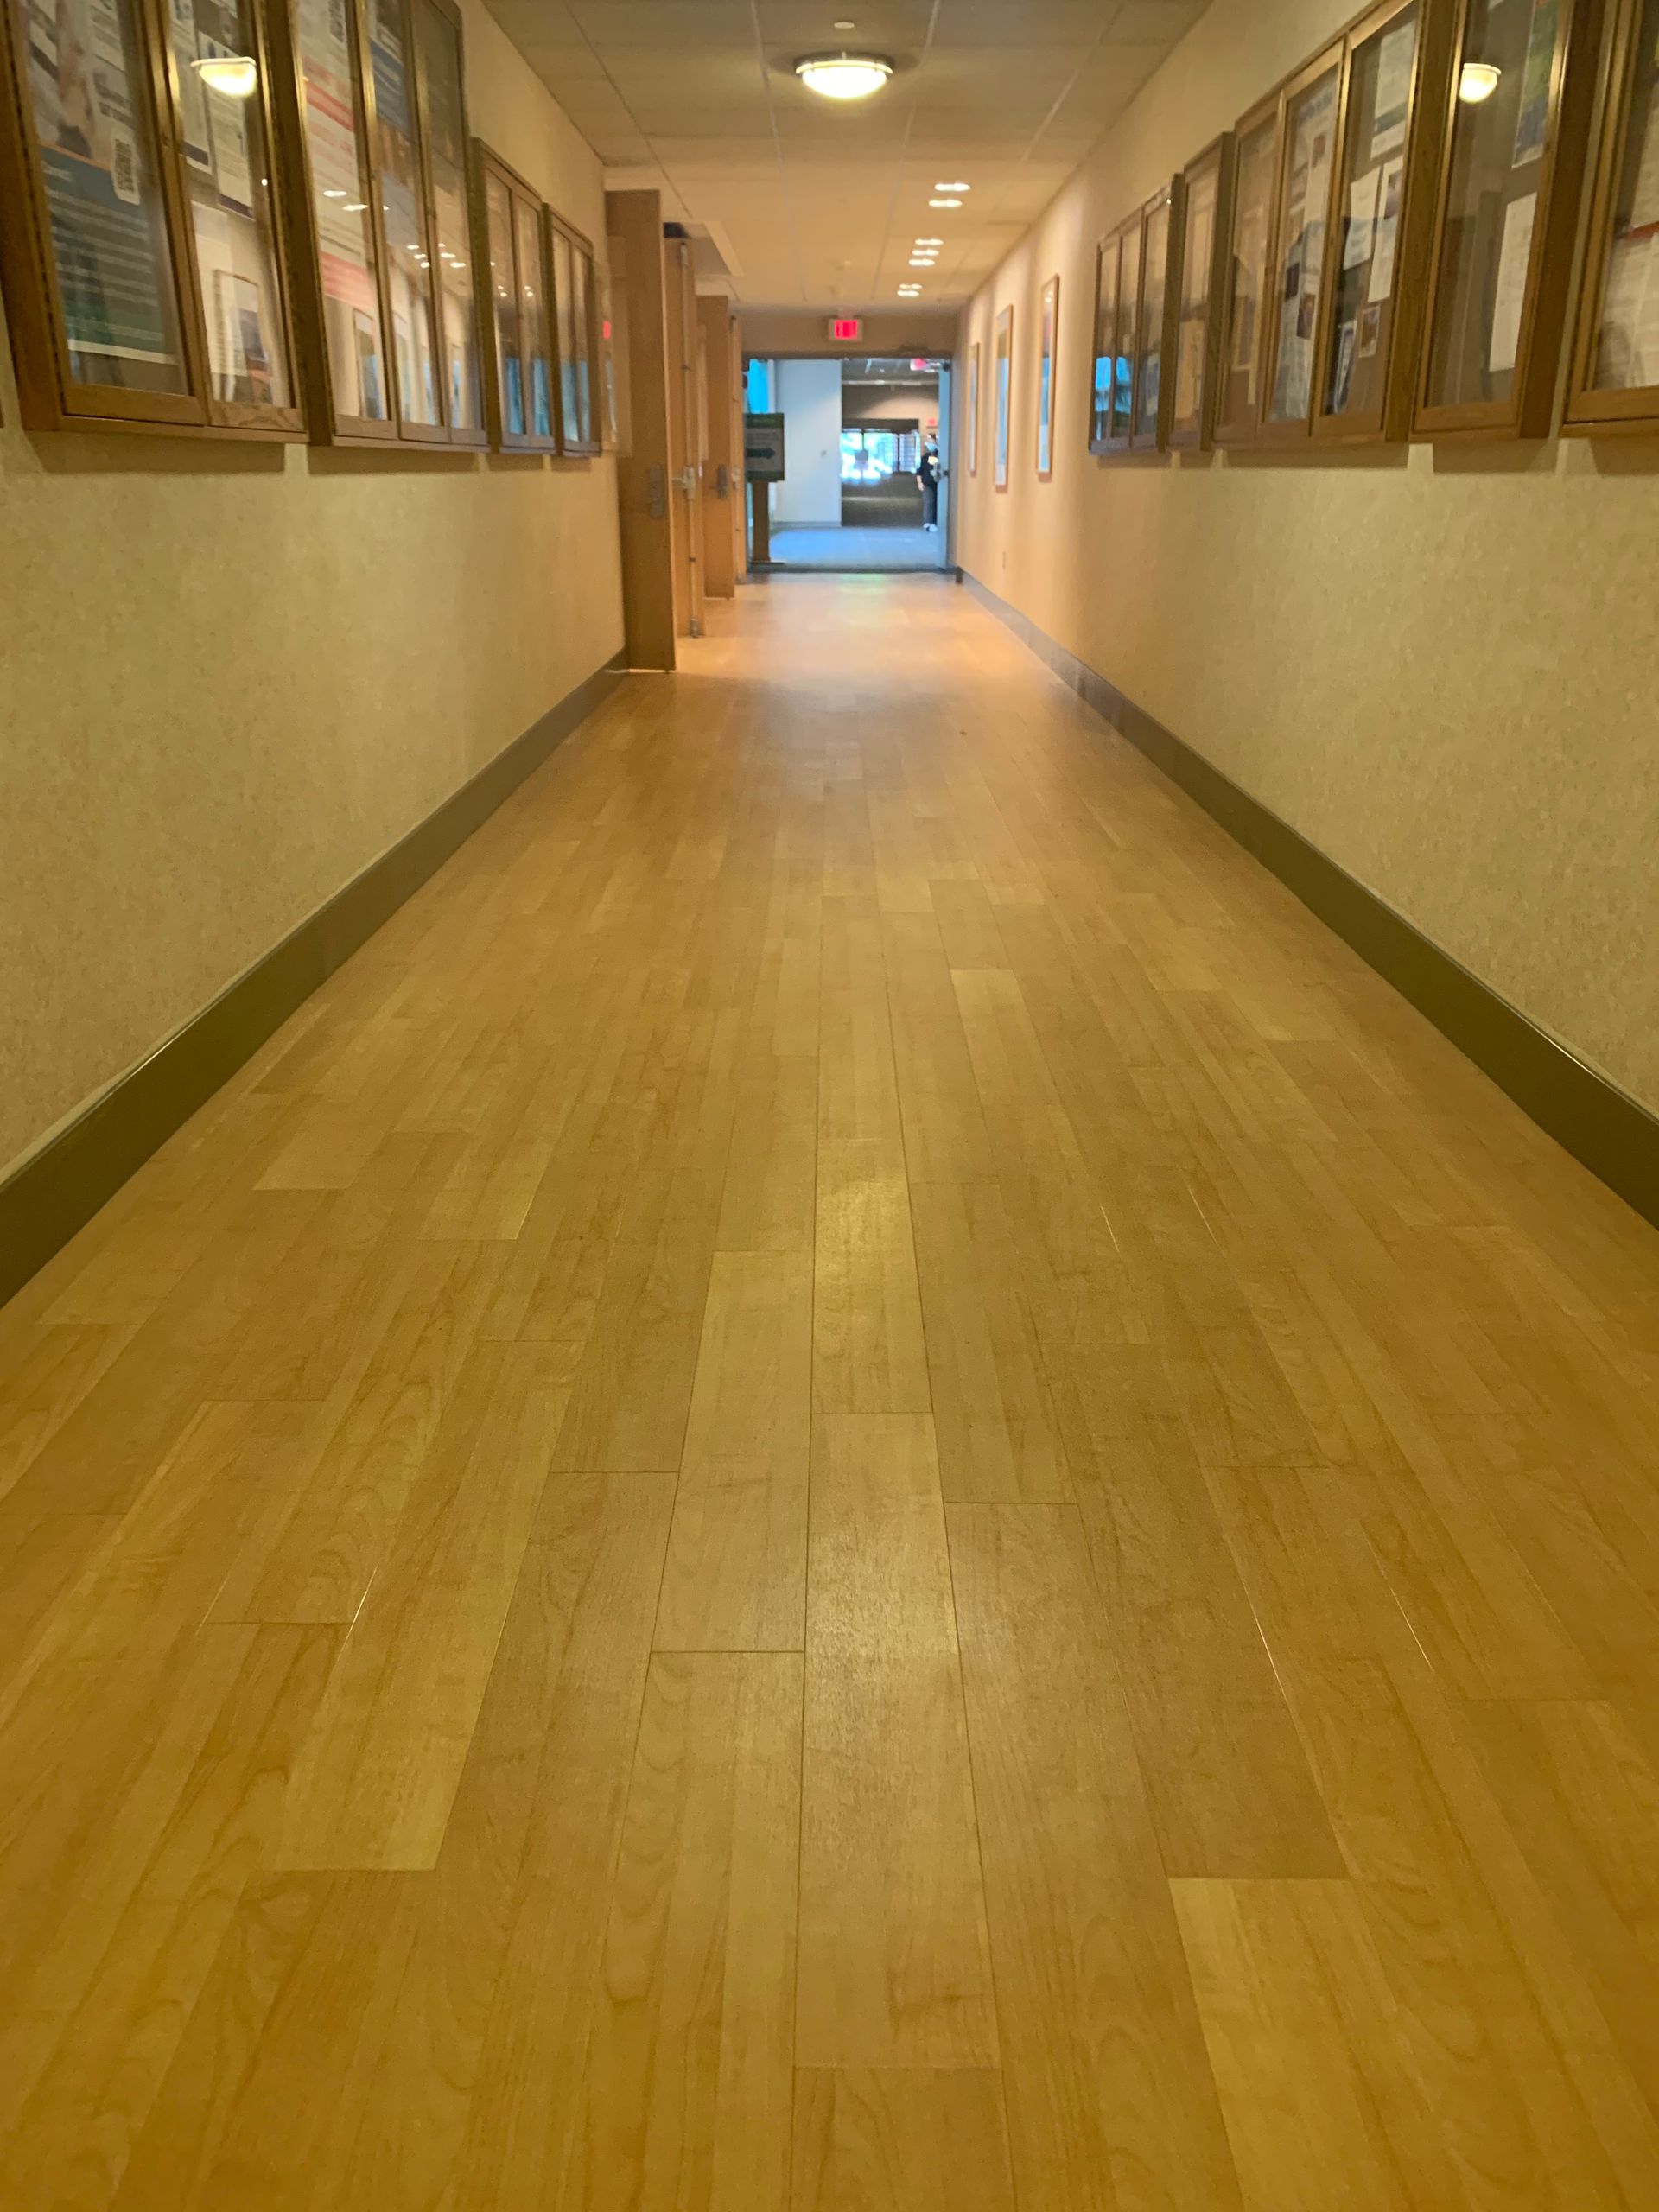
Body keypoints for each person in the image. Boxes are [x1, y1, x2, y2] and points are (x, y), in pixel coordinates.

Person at [916, 436, 944, 531]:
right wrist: (920, 482)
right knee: (928, 502)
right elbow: (920, 471)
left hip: (938, 483)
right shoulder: (925, 457)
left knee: (936, 503)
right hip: (927, 483)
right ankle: (928, 522)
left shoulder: (941, 456)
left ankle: (935, 522)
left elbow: (939, 466)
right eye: (929, 442)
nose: (931, 445)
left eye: (933, 442)